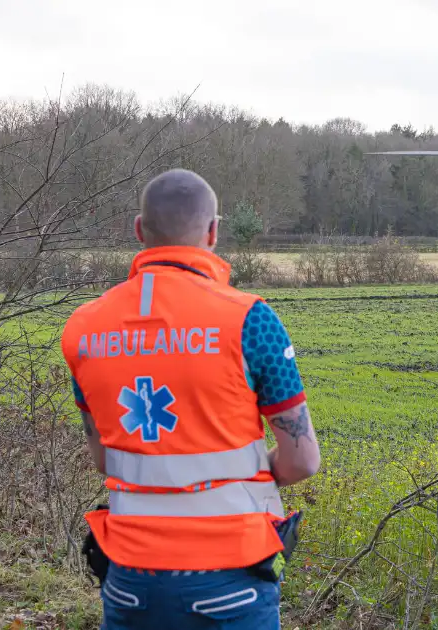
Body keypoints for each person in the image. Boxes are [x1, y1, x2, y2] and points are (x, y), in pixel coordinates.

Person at [61, 169, 320, 629]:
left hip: (129, 577)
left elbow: (104, 459)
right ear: (214, 231)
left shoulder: (83, 328)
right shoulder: (250, 321)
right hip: (231, 577)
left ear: (140, 232)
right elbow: (302, 461)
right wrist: (243, 480)